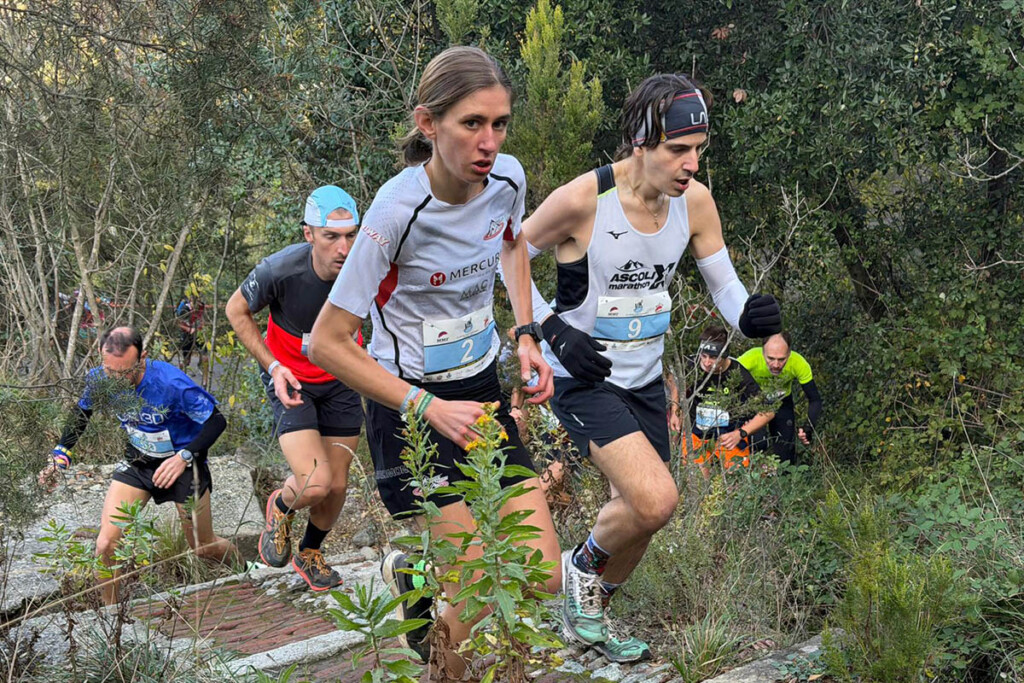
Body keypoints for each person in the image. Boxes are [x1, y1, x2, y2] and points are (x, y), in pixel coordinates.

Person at [307, 46, 560, 677]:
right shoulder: (395, 213)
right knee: (474, 589)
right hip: (411, 407)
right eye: (471, 123)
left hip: (480, 391)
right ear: (428, 124)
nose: (489, 141)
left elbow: (514, 244)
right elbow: (327, 342)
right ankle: (438, 655)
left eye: (499, 124)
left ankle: (414, 575)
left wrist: (526, 331)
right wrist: (426, 406)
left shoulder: (507, 179)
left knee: (545, 574)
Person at [523, 73, 782, 661]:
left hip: (642, 378)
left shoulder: (696, 202)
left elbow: (726, 287)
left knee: (645, 515)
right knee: (657, 498)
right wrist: (549, 329)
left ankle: (588, 612)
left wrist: (752, 315)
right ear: (642, 142)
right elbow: (506, 251)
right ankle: (577, 572)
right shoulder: (583, 199)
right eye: (678, 150)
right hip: (584, 378)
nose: (691, 164)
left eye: (699, 150)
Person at [225, 185, 364, 591]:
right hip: (292, 381)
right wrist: (274, 366)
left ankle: (309, 552)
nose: (344, 247)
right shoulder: (281, 270)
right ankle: (281, 505)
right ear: (309, 234)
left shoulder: (365, 267)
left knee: (337, 485)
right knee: (315, 482)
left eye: (351, 235)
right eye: (331, 236)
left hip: (340, 379)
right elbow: (236, 309)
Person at [37, 327, 237, 605]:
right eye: (110, 371)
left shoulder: (171, 383)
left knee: (202, 547)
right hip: (138, 462)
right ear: (100, 356)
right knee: (106, 545)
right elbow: (81, 415)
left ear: (142, 357)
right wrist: (59, 459)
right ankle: (113, 620)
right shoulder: (98, 379)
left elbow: (217, 421)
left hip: (182, 464)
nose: (116, 380)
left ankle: (245, 568)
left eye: (124, 373)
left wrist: (185, 457)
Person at [683, 326, 774, 475]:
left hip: (728, 434)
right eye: (704, 356)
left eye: (713, 357)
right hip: (697, 432)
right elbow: (671, 376)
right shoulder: (691, 366)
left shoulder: (738, 373)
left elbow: (768, 411)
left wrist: (741, 433)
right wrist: (676, 411)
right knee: (698, 478)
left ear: (725, 356)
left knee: (739, 475)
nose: (706, 362)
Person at [737, 331, 822, 464]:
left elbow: (814, 399)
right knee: (759, 442)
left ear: (789, 353)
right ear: (762, 352)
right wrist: (740, 418)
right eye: (770, 359)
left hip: (782, 402)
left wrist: (808, 428)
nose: (776, 365)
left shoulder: (798, 363)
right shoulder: (750, 359)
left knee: (786, 451)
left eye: (782, 359)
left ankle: (786, 481)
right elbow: (729, 387)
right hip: (754, 403)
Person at [175, 296, 206, 369]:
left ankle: (204, 375)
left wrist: (201, 326)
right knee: (186, 359)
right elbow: (178, 323)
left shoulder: (201, 306)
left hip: (198, 333)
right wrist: (189, 329)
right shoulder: (184, 309)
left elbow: (202, 318)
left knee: (205, 355)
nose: (198, 303)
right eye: (196, 301)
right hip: (187, 334)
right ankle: (183, 372)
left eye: (199, 300)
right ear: (191, 300)